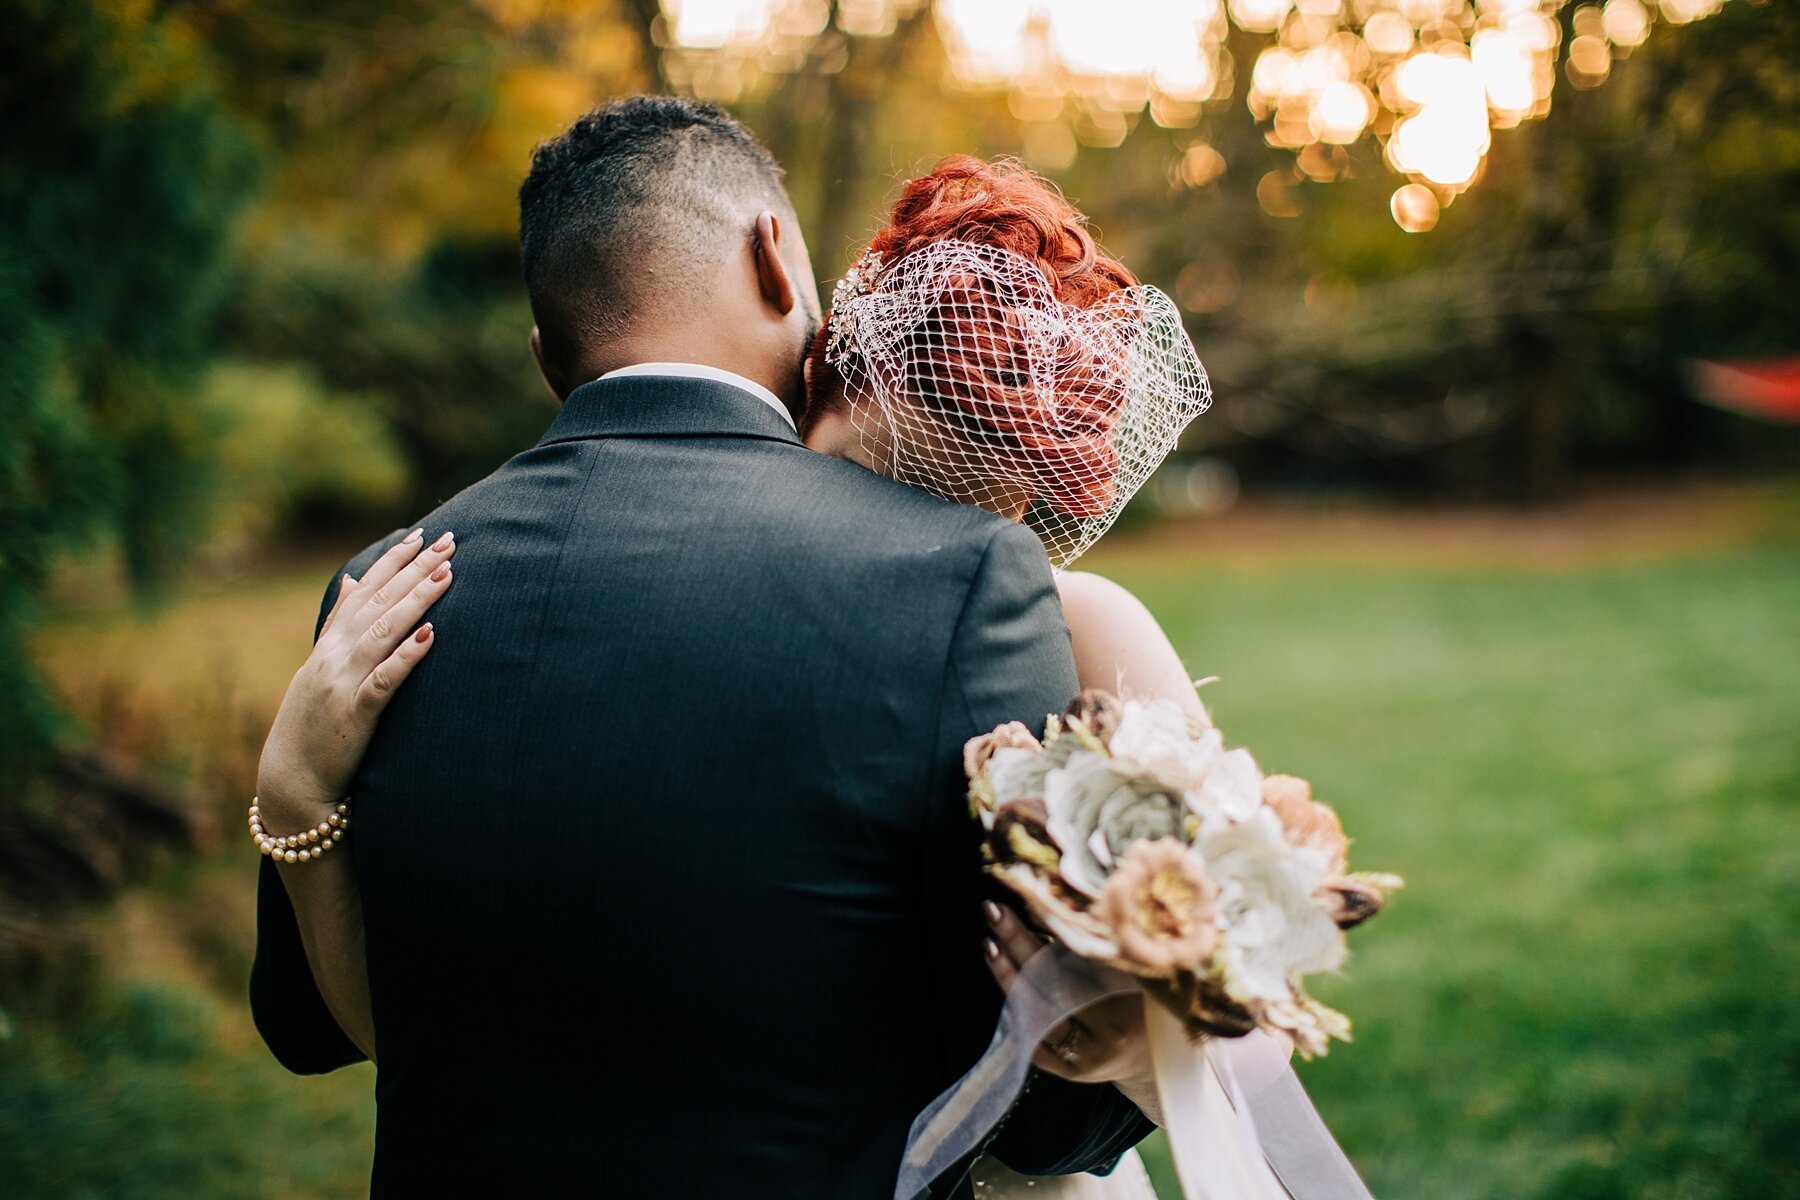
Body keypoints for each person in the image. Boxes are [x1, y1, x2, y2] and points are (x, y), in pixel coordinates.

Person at [251, 100, 1210, 1199]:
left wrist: (291, 799)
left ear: (546, 354)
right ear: (775, 257)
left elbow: (320, 1026)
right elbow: (1032, 1110)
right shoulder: (958, 585)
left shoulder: (378, 594)